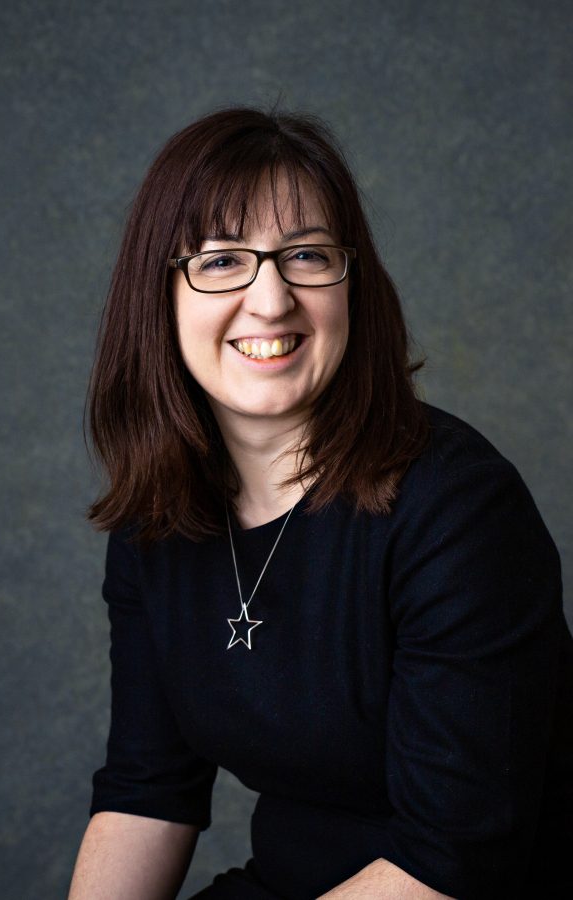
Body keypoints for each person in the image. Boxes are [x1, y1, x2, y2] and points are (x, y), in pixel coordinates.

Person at [68, 107, 572, 900]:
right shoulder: (155, 515)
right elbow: (146, 791)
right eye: (224, 259)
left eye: (305, 255)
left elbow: (452, 865)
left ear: (352, 280)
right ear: (158, 292)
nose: (271, 301)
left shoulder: (459, 509)